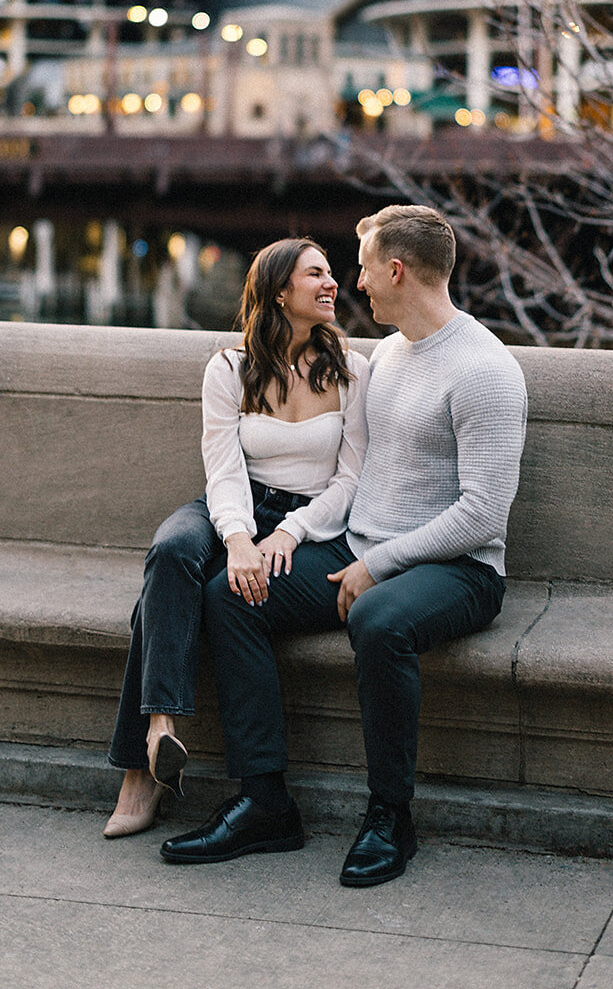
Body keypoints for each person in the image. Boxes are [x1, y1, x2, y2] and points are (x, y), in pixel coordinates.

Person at [161, 203, 526, 885]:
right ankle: (264, 801)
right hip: (357, 545)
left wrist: (376, 565)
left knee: (377, 620)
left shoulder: (484, 370)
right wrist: (287, 535)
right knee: (230, 594)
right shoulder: (382, 356)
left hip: (458, 569)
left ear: (394, 270)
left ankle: (390, 816)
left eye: (361, 270)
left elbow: (482, 513)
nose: (353, 285)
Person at [102, 236, 369, 840]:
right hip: (237, 505)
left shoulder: (356, 370)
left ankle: (138, 775)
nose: (333, 283)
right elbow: (222, 470)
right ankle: (160, 727)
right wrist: (241, 537)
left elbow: (352, 479)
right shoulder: (228, 368)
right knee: (172, 553)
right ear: (279, 291)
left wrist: (292, 533)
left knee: (217, 594)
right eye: (317, 274)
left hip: (314, 522)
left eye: (332, 273)